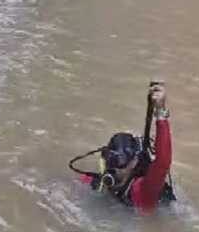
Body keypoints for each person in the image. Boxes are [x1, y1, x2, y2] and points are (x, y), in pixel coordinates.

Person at [69, 82, 175, 214]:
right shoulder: (100, 179)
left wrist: (160, 112)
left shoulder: (143, 190)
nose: (116, 170)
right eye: (112, 161)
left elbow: (163, 162)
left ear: (134, 163)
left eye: (121, 164)